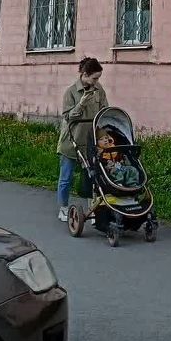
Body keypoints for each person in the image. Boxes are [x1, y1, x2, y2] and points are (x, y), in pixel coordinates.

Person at [57, 57, 107, 222]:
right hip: (71, 141)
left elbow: (104, 110)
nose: (96, 81)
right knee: (66, 177)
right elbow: (68, 117)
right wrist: (82, 103)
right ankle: (63, 208)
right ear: (85, 75)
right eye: (94, 78)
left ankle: (92, 210)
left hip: (90, 141)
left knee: (92, 177)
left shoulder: (99, 89)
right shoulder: (71, 92)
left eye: (98, 78)